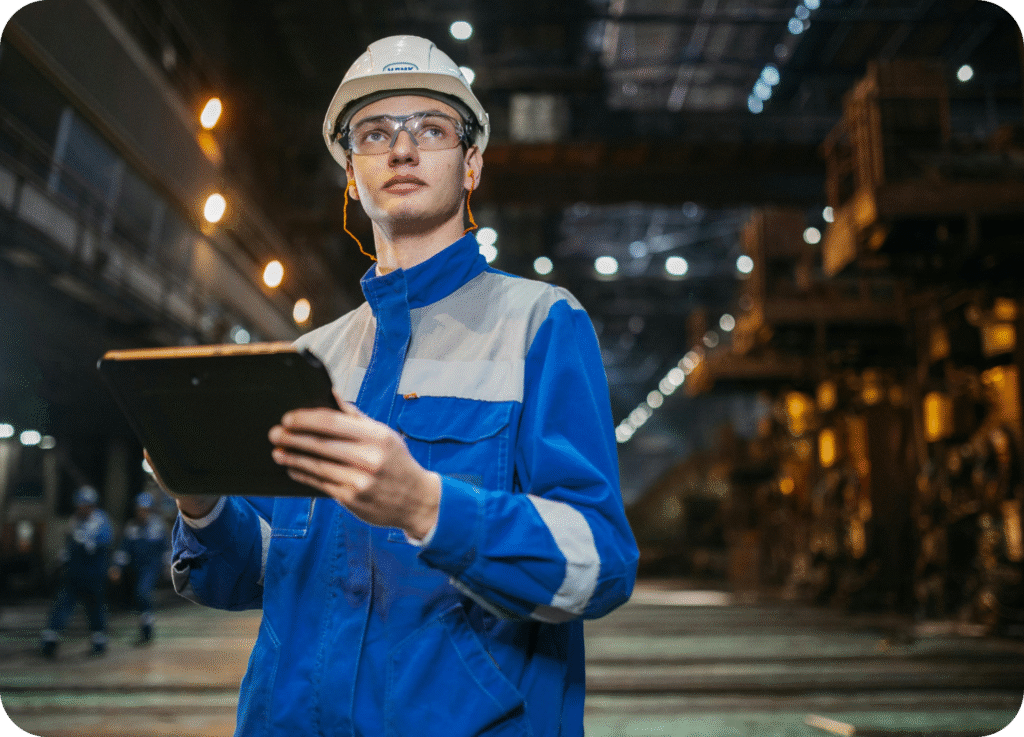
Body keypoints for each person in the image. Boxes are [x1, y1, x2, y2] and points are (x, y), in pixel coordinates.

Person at [161, 35, 638, 737]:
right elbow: (259, 573)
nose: (402, 148)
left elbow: (598, 563)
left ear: (471, 164)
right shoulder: (307, 357)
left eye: (432, 129)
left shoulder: (540, 323)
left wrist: (427, 505)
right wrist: (199, 500)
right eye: (375, 132)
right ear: (352, 174)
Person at [40, 485, 113, 658]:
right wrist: (60, 560)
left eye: (85, 505)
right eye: (79, 505)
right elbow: (69, 546)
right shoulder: (75, 521)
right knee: (63, 605)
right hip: (74, 574)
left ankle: (99, 642)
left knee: (95, 608)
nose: (81, 509)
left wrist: (84, 542)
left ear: (92, 506)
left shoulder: (101, 521)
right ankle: (50, 640)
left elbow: (103, 543)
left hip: (93, 574)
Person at [109, 490, 170, 645]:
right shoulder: (132, 527)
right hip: (136, 569)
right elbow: (124, 549)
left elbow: (167, 549)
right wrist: (116, 567)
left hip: (152, 568)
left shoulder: (158, 527)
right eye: (139, 510)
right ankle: (146, 625)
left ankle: (147, 627)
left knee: (142, 592)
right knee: (137, 597)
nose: (142, 513)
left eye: (145, 510)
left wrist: (169, 566)